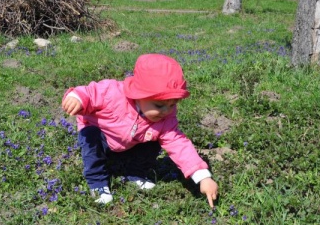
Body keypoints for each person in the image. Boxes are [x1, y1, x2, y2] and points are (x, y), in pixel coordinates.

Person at [61, 53, 219, 207]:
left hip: (131, 141)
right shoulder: (112, 93)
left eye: (172, 105)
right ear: (138, 95)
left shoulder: (165, 119)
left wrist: (203, 177)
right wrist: (76, 98)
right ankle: (97, 182)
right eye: (159, 105)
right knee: (90, 136)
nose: (166, 111)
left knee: (156, 139)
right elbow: (90, 92)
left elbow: (179, 144)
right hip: (102, 135)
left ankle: (135, 173)